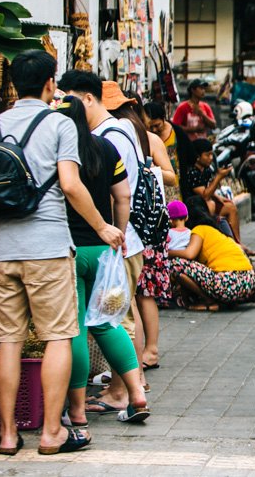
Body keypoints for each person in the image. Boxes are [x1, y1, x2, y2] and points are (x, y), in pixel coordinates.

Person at [0, 50, 121, 455]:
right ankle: (52, 432)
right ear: (49, 85)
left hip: (5, 251)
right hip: (49, 250)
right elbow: (71, 185)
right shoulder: (58, 123)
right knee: (58, 336)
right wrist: (102, 226)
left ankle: (7, 434)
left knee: (8, 340)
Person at [57, 72, 150, 417]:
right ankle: (137, 395)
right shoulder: (106, 146)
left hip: (70, 250)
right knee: (108, 322)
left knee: (76, 327)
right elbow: (122, 195)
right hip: (104, 250)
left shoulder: (59, 151)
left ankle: (77, 411)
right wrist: (117, 233)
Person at [111, 91, 172, 373]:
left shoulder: (145, 139)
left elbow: (172, 175)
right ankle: (144, 353)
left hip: (144, 224)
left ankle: (151, 351)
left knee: (141, 294)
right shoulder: (133, 136)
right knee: (138, 294)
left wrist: (146, 169)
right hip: (142, 224)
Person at [168, 197, 255, 310]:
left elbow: (189, 255)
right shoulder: (216, 231)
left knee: (176, 264)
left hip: (228, 284)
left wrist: (167, 253)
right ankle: (220, 300)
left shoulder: (199, 230)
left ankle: (209, 300)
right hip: (249, 283)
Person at [185, 139, 242, 244]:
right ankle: (237, 244)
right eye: (207, 155)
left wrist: (218, 197)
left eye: (212, 155)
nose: (211, 158)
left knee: (231, 206)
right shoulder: (192, 172)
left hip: (207, 202)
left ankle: (238, 242)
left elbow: (207, 188)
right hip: (196, 209)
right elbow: (205, 195)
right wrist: (219, 177)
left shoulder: (206, 169)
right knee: (227, 209)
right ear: (198, 157)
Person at [144, 101, 195, 200]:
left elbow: (190, 156)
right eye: (151, 126)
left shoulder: (177, 133)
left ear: (163, 119)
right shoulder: (146, 137)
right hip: (155, 183)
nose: (154, 130)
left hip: (176, 183)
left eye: (157, 125)